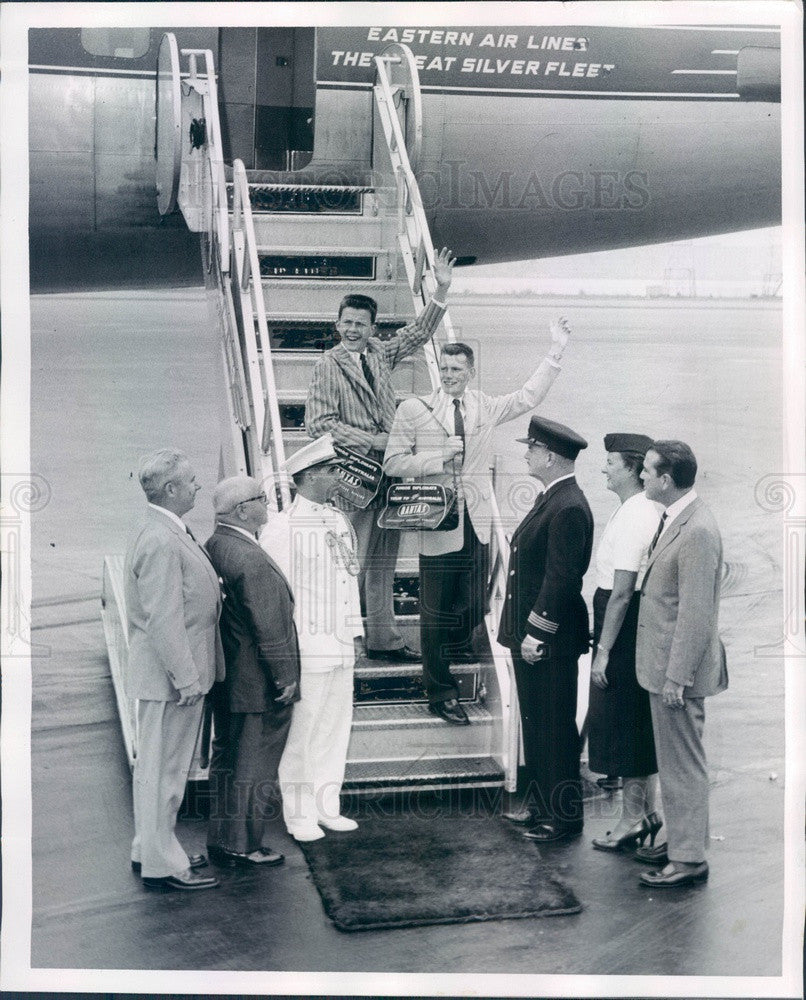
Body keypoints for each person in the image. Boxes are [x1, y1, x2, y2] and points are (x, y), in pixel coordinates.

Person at [383, 321, 569, 725]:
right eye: (445, 369)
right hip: (437, 521)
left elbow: (528, 397)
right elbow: (393, 463)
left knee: (473, 605)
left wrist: (554, 353)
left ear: (470, 372)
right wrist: (435, 459)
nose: (450, 376)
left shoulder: (483, 405)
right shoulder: (414, 410)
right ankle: (440, 691)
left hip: (479, 521)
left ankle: (451, 648)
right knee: (433, 611)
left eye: (457, 370)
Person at [305, 248, 455, 664]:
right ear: (337, 324)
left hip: (389, 478)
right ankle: (343, 643)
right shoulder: (326, 365)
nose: (352, 330)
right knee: (349, 563)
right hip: (354, 478)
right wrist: (373, 441)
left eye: (360, 324)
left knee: (383, 563)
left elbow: (418, 334)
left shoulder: (378, 354)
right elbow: (319, 424)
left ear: (372, 328)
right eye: (346, 323)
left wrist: (441, 289)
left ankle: (383, 640)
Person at [124, 448, 222, 891]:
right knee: (165, 772)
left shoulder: (162, 530)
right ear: (170, 489)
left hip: (170, 675)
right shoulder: (162, 539)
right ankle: (164, 863)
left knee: (157, 769)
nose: (198, 486)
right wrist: (187, 678)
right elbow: (164, 619)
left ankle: (151, 847)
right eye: (192, 480)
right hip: (173, 679)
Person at [260, 435, 363, 842]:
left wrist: (354, 634)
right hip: (308, 648)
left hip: (339, 645)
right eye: (332, 470)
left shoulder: (338, 520)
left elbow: (347, 581)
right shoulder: (283, 528)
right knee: (302, 735)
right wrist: (285, 656)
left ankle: (327, 805)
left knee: (335, 730)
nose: (339, 477)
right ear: (310, 476)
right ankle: (299, 814)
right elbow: (276, 599)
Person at [635, 440, 728, 887]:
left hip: (678, 674)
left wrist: (677, 677)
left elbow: (695, 614)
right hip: (666, 667)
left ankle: (689, 860)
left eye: (648, 471)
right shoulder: (679, 518)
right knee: (674, 765)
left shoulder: (696, 531)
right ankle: (681, 846)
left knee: (683, 766)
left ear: (667, 480)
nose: (642, 477)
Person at [496, 416, 593, 842]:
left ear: (550, 456)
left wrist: (537, 632)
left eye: (531, 448)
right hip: (530, 637)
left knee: (553, 724)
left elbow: (562, 579)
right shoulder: (552, 497)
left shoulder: (568, 505)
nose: (526, 454)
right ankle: (541, 804)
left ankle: (564, 816)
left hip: (546, 640)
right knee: (537, 723)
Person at [205, 476, 300, 867]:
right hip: (257, 682)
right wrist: (285, 677)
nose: (268, 503)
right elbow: (269, 626)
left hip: (231, 677)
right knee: (254, 764)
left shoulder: (217, 544)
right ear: (243, 510)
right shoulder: (249, 557)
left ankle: (223, 836)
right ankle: (242, 844)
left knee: (228, 758)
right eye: (262, 498)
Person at [587, 434, 664, 853]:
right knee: (632, 717)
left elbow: (622, 591)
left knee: (623, 721)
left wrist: (603, 651)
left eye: (611, 461)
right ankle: (645, 814)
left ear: (632, 469)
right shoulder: (633, 508)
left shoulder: (637, 514)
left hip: (622, 620)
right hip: (624, 618)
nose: (604, 468)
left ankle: (632, 818)